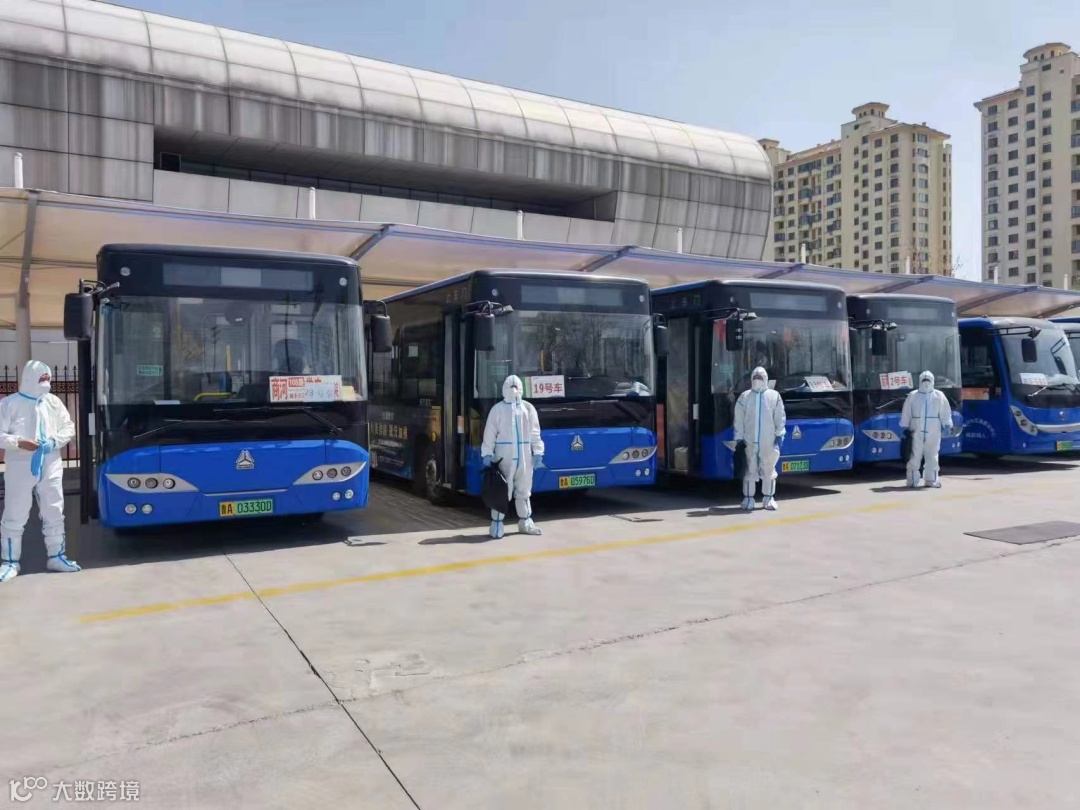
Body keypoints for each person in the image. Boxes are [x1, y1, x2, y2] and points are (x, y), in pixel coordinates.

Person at [0, 360, 79, 582]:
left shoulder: (53, 402)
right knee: (15, 512)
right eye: (41, 377)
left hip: (51, 463)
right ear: (29, 377)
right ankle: (10, 562)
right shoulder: (9, 404)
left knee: (54, 509)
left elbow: (68, 427)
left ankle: (57, 556)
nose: (46, 381)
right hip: (20, 466)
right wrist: (18, 442)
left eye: (47, 377)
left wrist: (53, 441)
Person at [481, 375, 545, 538]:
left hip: (525, 458)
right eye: (511, 386)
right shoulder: (497, 409)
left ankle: (526, 522)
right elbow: (490, 433)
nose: (514, 389)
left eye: (516, 386)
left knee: (524, 491)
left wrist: (538, 452)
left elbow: (535, 433)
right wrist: (487, 453)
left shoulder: (528, 408)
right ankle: (496, 524)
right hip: (504, 459)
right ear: (504, 388)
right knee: (501, 493)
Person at [733, 366, 787, 512]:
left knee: (769, 469)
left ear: (766, 379)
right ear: (751, 379)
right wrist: (738, 437)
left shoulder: (774, 396)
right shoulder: (744, 397)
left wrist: (780, 433)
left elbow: (780, 417)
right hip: (749, 441)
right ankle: (748, 498)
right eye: (755, 377)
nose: (757, 380)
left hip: (768, 441)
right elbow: (739, 420)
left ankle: (768, 498)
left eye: (760, 377)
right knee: (749, 470)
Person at [900, 370, 953, 489]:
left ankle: (931, 480)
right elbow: (906, 412)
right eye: (924, 380)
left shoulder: (939, 395)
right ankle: (912, 480)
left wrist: (947, 425)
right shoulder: (913, 395)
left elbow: (945, 412)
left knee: (932, 455)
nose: (926, 382)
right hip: (916, 430)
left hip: (933, 431)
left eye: (928, 380)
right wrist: (904, 426)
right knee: (915, 455)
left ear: (932, 381)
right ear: (920, 381)